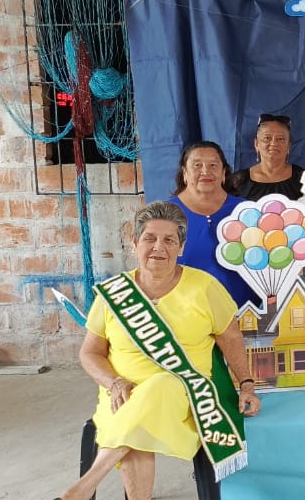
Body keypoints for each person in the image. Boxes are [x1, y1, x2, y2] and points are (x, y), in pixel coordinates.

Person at [57, 201, 261, 500]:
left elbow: (230, 338)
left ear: (181, 247)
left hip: (186, 393)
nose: (158, 247)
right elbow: (90, 353)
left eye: (169, 240)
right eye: (149, 238)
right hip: (121, 395)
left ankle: (82, 488)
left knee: (161, 386)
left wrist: (247, 385)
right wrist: (114, 382)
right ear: (135, 242)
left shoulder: (204, 286)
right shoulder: (113, 292)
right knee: (138, 421)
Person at [169, 141, 256, 307]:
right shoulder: (165, 214)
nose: (205, 171)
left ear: (224, 173)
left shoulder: (246, 211)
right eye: (197, 165)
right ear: (184, 173)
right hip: (186, 312)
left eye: (213, 165)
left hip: (245, 311)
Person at [230, 114, 304, 201]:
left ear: (289, 145)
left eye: (280, 139)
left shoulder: (304, 179)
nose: (273, 143)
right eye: (267, 138)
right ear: (256, 144)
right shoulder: (238, 182)